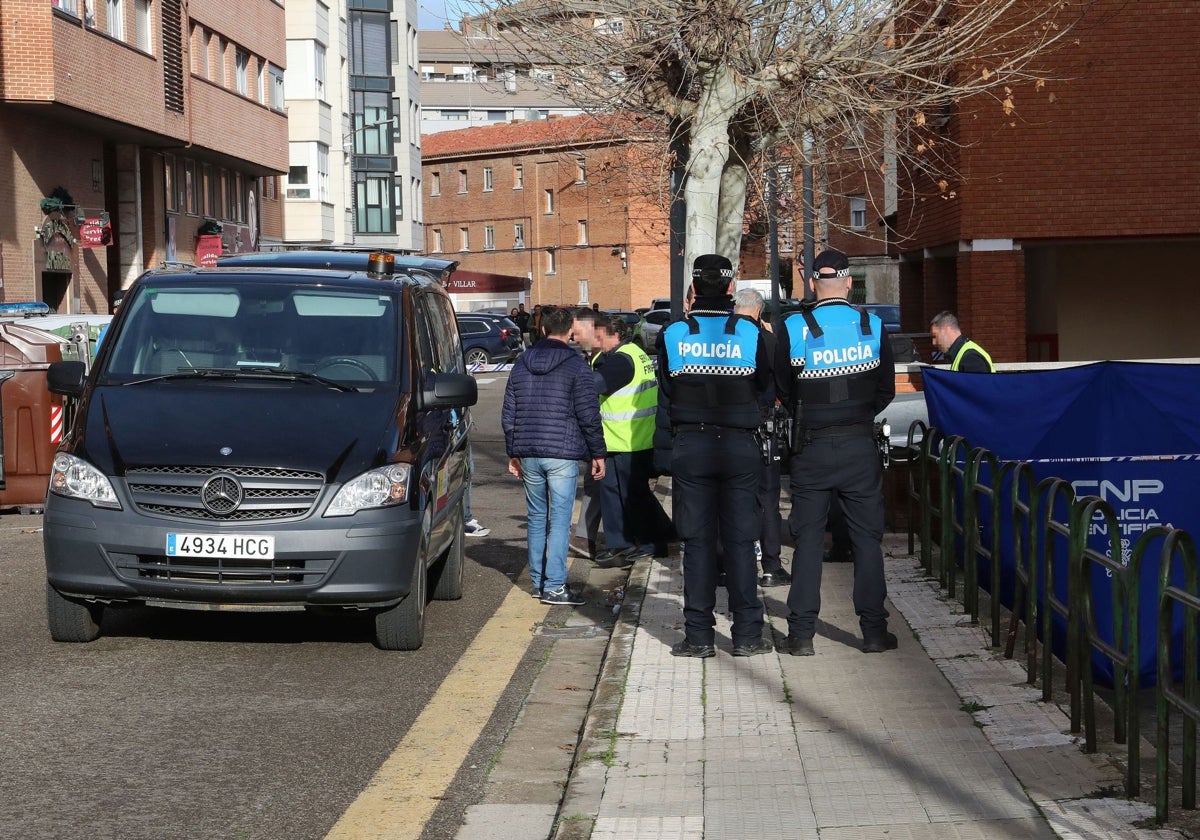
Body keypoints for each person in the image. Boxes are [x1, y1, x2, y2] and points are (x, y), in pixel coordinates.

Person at [775, 248, 897, 655]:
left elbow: (783, 389)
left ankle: (801, 636)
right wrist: (858, 416)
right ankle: (874, 633)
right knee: (866, 540)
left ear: (812, 283)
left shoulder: (794, 328)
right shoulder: (872, 325)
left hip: (810, 447)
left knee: (807, 540)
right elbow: (886, 390)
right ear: (848, 283)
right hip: (860, 445)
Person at [659, 254, 775, 658]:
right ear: (731, 288)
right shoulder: (750, 332)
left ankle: (698, 637)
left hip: (691, 447)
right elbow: (765, 387)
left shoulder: (673, 333)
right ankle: (746, 635)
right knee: (742, 542)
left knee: (698, 543)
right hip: (739, 445)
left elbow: (668, 389)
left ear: (693, 289)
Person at [502, 306, 607, 605]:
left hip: (529, 452)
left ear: (543, 330)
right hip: (562, 453)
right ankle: (555, 586)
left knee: (536, 517)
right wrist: (597, 453)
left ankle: (537, 582)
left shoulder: (521, 363)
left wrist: (513, 451)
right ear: (570, 332)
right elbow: (588, 413)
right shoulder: (576, 365)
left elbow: (509, 413)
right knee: (560, 521)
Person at [591, 313, 674, 567]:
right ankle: (622, 543)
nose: (596, 341)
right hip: (629, 438)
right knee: (616, 494)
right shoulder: (635, 353)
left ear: (614, 336)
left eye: (599, 337)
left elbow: (594, 385)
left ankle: (650, 543)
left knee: (631, 495)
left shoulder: (621, 361)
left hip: (628, 439)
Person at [732, 287, 790, 587]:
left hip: (729, 428)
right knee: (767, 499)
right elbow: (782, 381)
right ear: (758, 310)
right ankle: (771, 567)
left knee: (732, 498)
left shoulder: (724, 337)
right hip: (763, 426)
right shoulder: (766, 338)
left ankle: (732, 567)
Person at [568, 307, 606, 559]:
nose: (573, 337)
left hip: (615, 438)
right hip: (607, 438)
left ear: (593, 329)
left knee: (605, 487)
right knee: (596, 486)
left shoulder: (605, 359)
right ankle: (583, 538)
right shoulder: (594, 357)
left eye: (578, 331)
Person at [929, 311, 995, 372]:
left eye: (935, 336)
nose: (933, 343)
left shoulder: (970, 357)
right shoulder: (964, 353)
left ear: (946, 329)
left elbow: (978, 384)